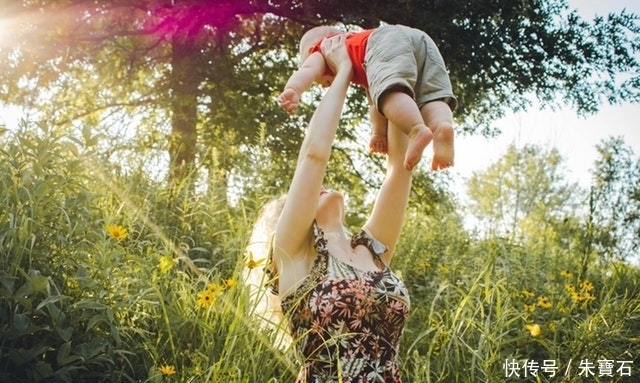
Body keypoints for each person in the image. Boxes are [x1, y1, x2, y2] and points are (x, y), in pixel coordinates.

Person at [266, 34, 413, 382]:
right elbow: (315, 156)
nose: (322, 186)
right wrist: (345, 69)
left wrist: (381, 72)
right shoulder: (294, 255)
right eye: (307, 195)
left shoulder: (373, 250)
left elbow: (400, 169)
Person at [277, 24, 457, 171]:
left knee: (391, 94)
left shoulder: (323, 49)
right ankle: (442, 127)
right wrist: (379, 134)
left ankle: (416, 129)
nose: (323, 85)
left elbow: (308, 70)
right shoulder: (365, 62)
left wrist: (294, 89)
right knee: (431, 96)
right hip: (420, 39)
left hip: (384, 40)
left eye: (320, 82)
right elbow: (375, 103)